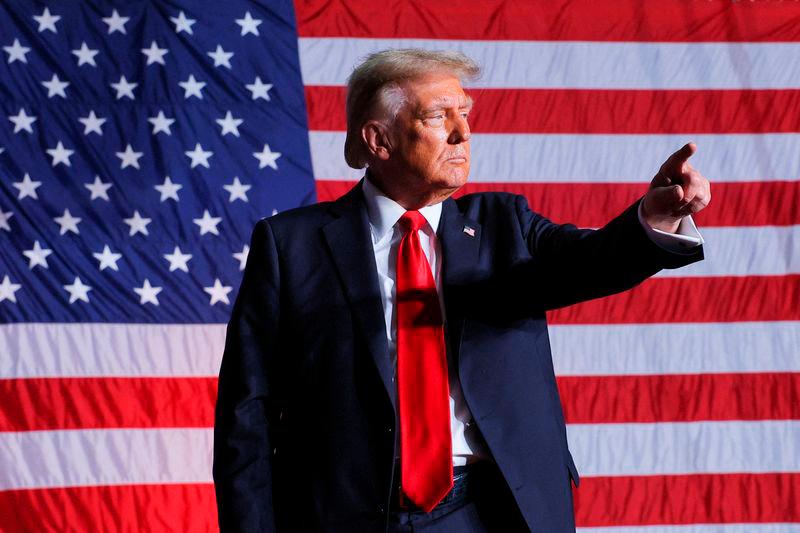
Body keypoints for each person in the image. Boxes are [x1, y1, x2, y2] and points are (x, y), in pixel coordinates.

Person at [213, 49, 710, 532]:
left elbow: (591, 262)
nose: (462, 132)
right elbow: (246, 410)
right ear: (378, 139)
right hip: (346, 510)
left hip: (486, 510)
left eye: (465, 113)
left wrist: (655, 217)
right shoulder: (290, 244)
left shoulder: (503, 224)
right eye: (438, 115)